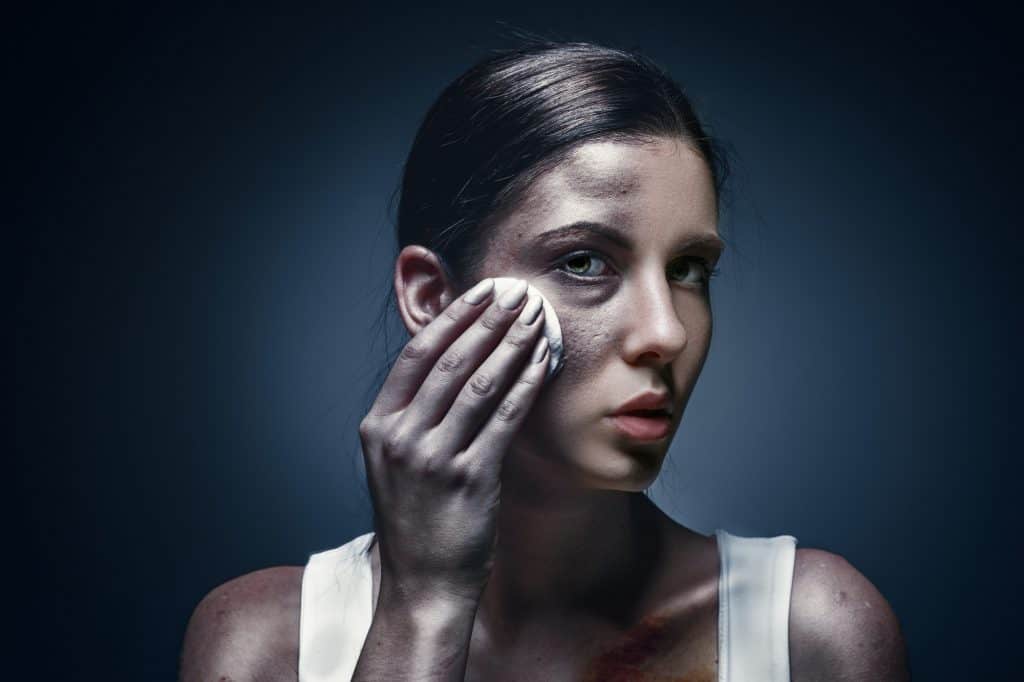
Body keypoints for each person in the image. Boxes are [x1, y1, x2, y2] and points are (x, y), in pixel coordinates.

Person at [179, 40, 910, 681]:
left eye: (689, 269)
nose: (668, 333)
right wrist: (425, 604)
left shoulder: (814, 631)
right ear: (432, 297)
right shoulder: (262, 643)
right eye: (585, 260)